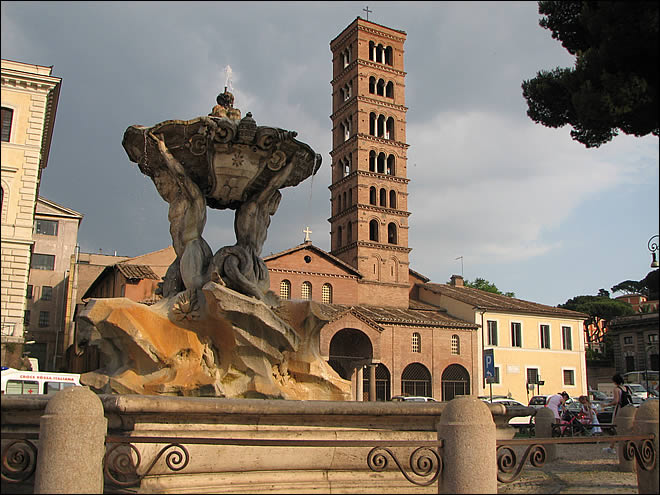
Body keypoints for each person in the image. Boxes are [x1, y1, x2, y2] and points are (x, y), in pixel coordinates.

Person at [603, 373, 627, 454]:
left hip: (619, 409)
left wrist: (607, 405)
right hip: (626, 409)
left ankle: (611, 447)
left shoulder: (616, 389)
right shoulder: (625, 388)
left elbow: (616, 401)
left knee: (614, 427)